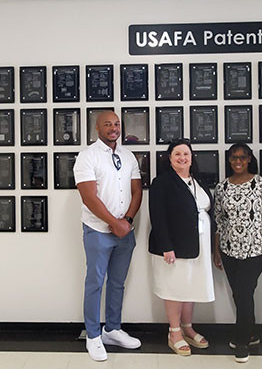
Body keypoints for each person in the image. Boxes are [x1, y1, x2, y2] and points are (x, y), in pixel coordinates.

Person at [73, 110, 143, 362]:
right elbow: (88, 196)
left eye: (116, 124)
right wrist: (113, 223)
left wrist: (127, 221)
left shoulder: (127, 155)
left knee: (117, 282)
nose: (113, 128)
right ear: (97, 128)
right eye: (107, 124)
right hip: (97, 231)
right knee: (95, 283)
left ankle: (112, 329)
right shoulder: (87, 157)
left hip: (125, 230)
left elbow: (137, 191)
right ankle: (93, 335)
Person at [148, 138, 215, 357]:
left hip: (198, 245)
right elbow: (158, 217)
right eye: (177, 154)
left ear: (191, 157)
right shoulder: (162, 182)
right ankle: (174, 332)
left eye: (186, 153)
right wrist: (166, 246)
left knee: (191, 286)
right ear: (169, 158)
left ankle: (188, 327)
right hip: (173, 247)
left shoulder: (197, 181)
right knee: (174, 288)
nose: (182, 158)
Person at [213, 142, 262, 363]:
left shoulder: (261, 184)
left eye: (242, 157)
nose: (238, 161)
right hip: (229, 250)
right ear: (229, 160)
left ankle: (242, 342)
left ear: (250, 159)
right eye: (234, 157)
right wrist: (217, 249)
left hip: (256, 249)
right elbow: (219, 220)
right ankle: (251, 333)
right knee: (240, 293)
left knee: (243, 293)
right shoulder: (222, 187)